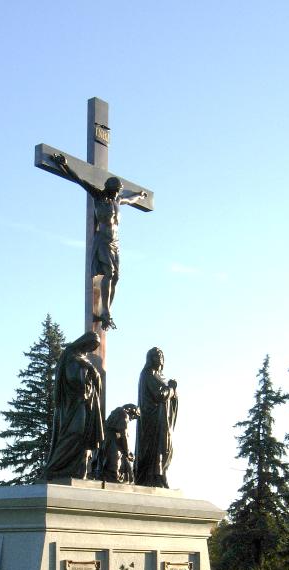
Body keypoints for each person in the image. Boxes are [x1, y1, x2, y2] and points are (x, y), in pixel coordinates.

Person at [51, 152, 146, 330]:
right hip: (102, 239)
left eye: (119, 190)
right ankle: (105, 312)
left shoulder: (118, 200)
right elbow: (80, 180)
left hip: (115, 242)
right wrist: (64, 165)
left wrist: (139, 195)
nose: (118, 192)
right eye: (116, 189)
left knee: (116, 277)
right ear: (109, 188)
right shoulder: (98, 196)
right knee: (109, 273)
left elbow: (130, 199)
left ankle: (107, 310)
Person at [42, 331, 103, 481]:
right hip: (72, 404)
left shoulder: (83, 359)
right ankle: (55, 468)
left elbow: (95, 383)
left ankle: (75, 469)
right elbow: (73, 378)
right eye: (90, 345)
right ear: (84, 342)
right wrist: (87, 369)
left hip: (84, 402)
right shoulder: (71, 355)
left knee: (83, 436)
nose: (90, 349)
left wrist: (92, 372)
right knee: (74, 432)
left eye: (93, 347)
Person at [135, 348, 178, 488]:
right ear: (150, 359)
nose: (159, 358)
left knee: (166, 447)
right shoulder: (148, 373)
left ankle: (161, 474)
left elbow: (169, 398)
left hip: (164, 419)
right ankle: (153, 476)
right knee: (156, 447)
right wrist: (171, 389)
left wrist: (173, 393)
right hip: (152, 419)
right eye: (155, 356)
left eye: (161, 355)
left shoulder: (162, 377)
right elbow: (159, 395)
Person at [97, 404, 140, 483]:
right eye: (133, 417)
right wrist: (127, 452)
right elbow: (124, 435)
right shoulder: (124, 414)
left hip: (106, 441)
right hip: (113, 443)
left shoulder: (116, 412)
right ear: (131, 411)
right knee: (114, 467)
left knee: (108, 465)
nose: (131, 419)